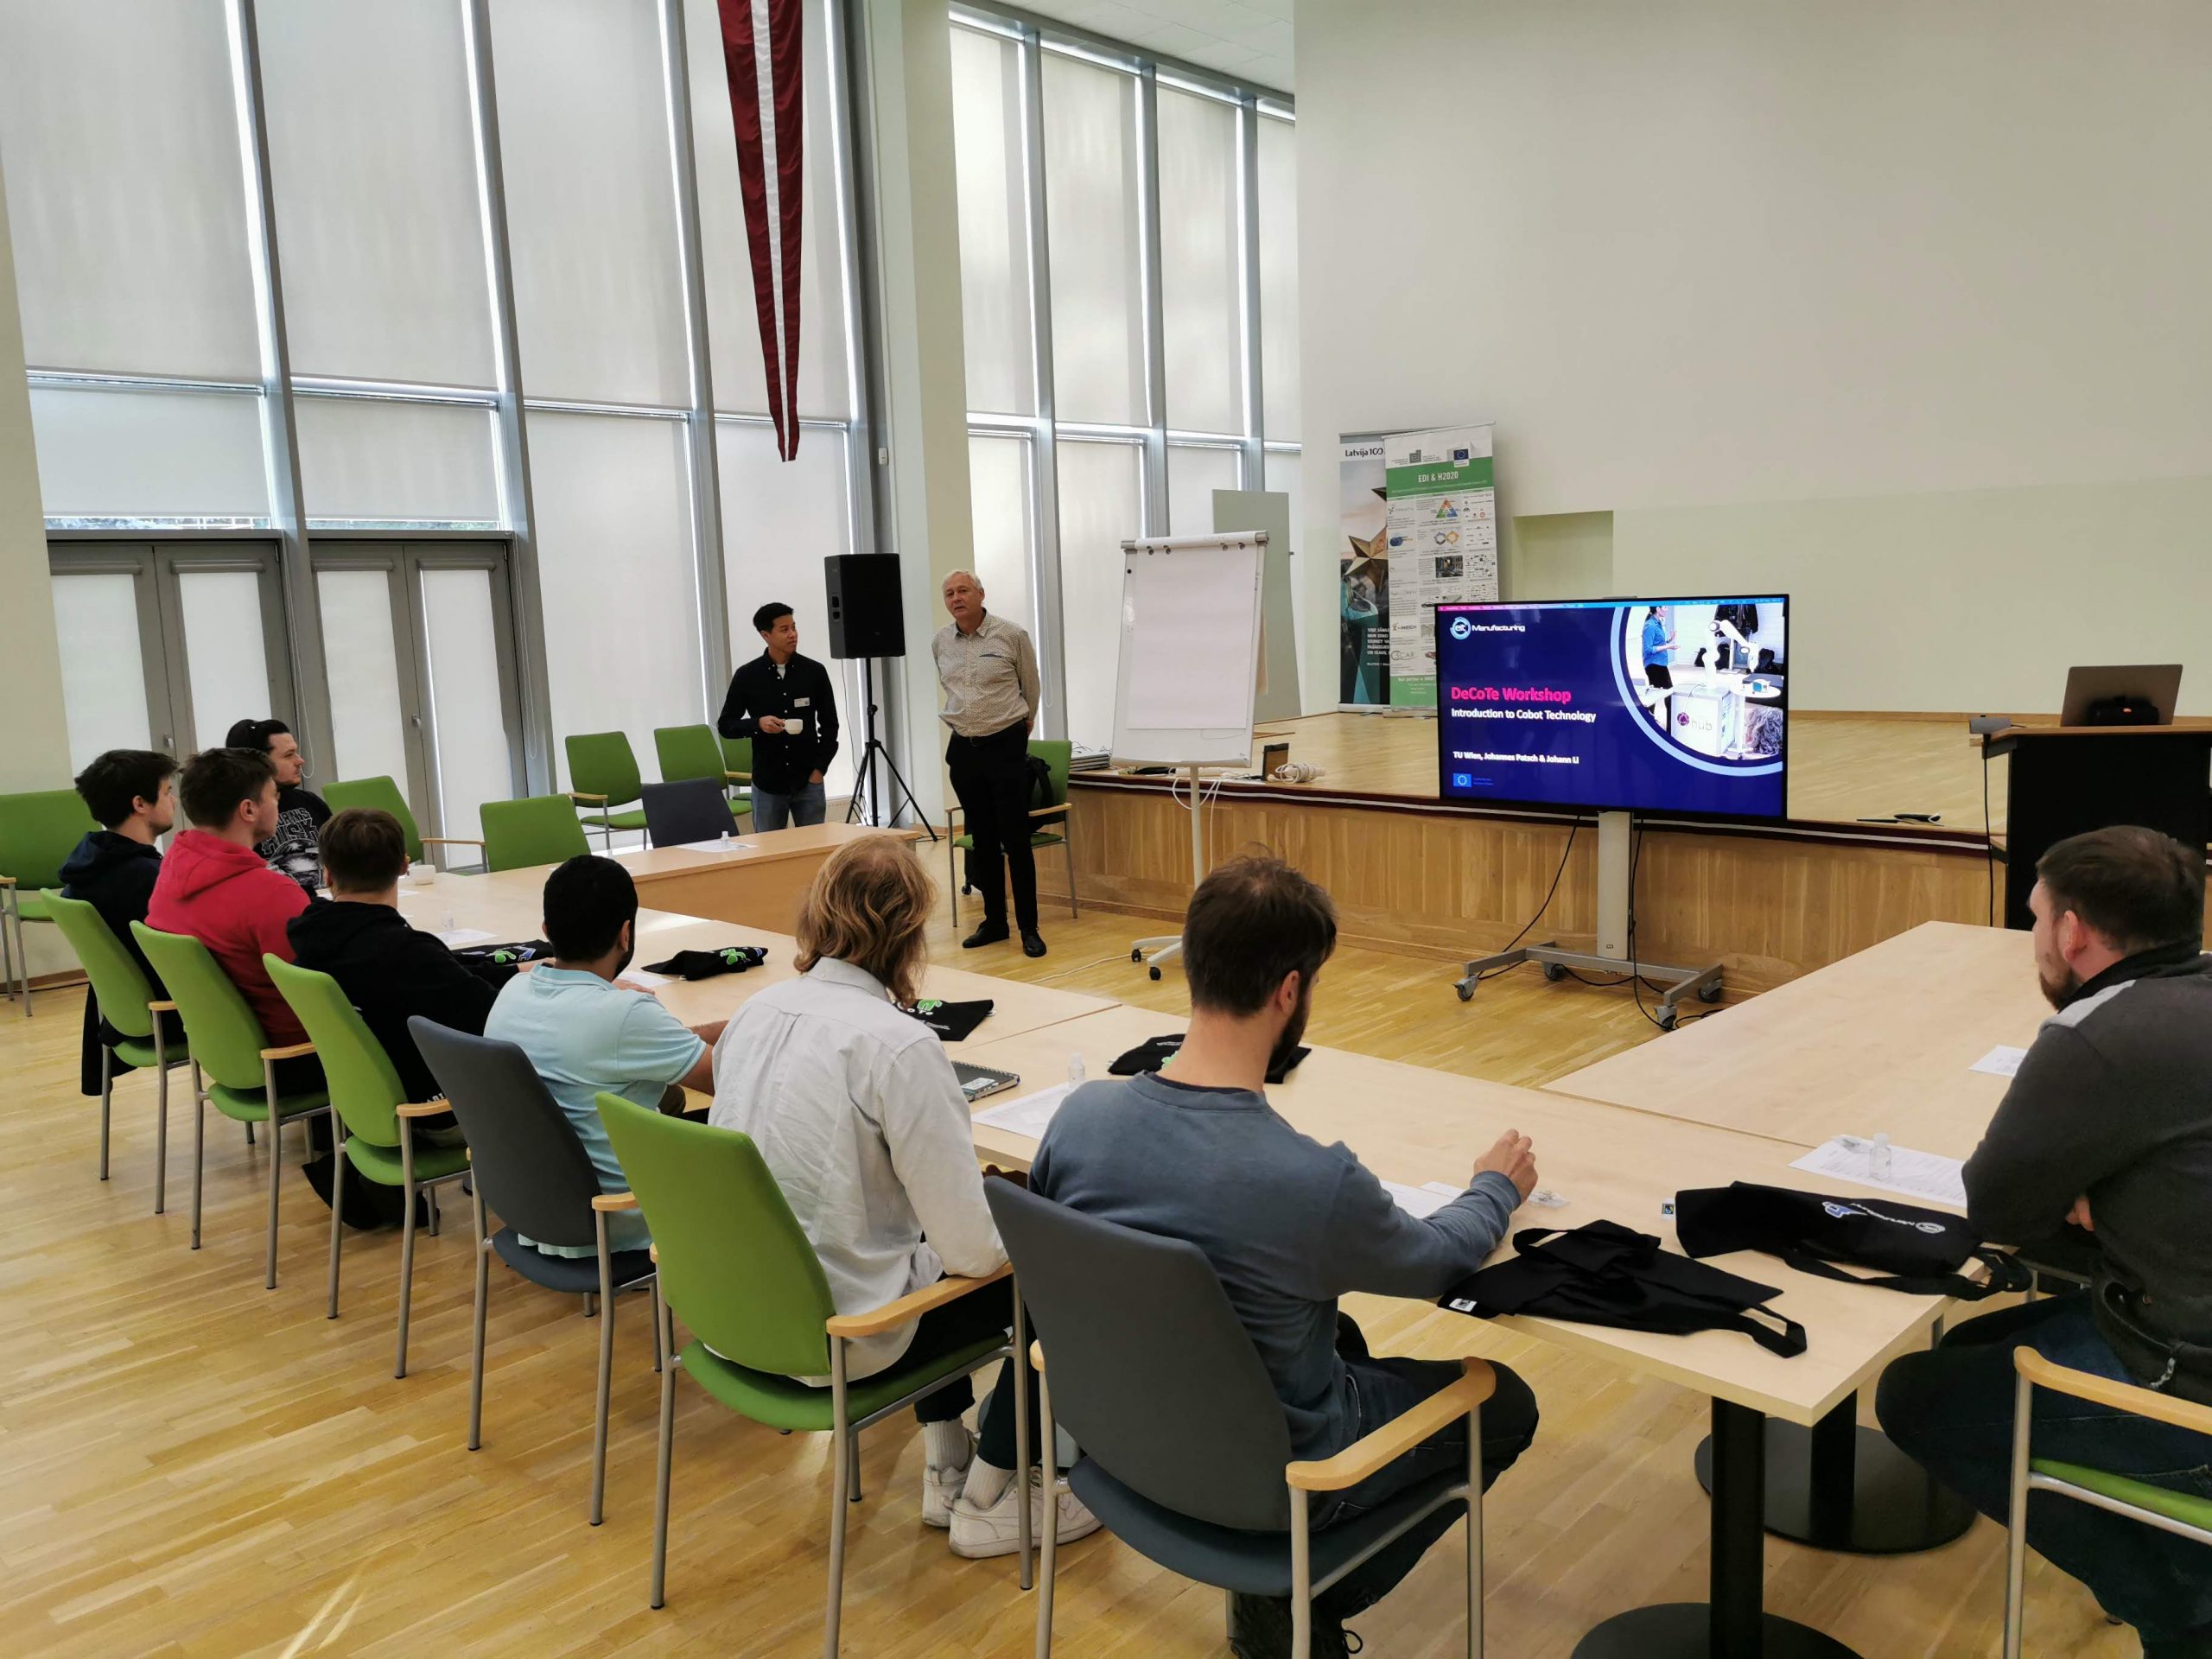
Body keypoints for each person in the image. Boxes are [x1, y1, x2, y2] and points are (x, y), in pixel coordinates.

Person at [1028, 855, 1541, 1659]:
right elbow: (1441, 1259)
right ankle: (1300, 1605)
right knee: (1503, 1401)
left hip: (1121, 1448)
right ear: (1290, 992)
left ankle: (1278, 1615)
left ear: (1194, 963)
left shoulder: (1079, 1118)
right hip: (1280, 1476)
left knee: (1340, 1339)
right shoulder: (1310, 1182)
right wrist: (1494, 1188)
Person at [706, 836, 1098, 1559]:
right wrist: (1023, 1210)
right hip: (841, 1335)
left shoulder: (754, 1014)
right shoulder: (899, 1046)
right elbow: (973, 1255)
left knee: (915, 1233)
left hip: (733, 1313)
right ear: (911, 936)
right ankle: (991, 1495)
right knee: (1064, 1268)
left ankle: (946, 1462)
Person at [1876, 825, 2212, 1659]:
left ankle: (2183, 1613)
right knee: (1978, 1344)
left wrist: (2090, 1193)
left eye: (2034, 918)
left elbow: (1998, 1212)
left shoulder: (2100, 1035)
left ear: (2071, 932)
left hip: (2189, 1383)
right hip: (2181, 1315)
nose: (2034, 938)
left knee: (1918, 1397)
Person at [485, 855, 726, 1258]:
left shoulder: (511, 993)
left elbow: (628, 1043)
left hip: (537, 1213)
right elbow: (731, 1081)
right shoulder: (625, 1015)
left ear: (547, 931)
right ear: (625, 934)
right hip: (625, 1219)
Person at [289, 808, 516, 1105]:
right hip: (434, 1102)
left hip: (367, 1097)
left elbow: (449, 978)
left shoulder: (313, 936)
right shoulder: (404, 952)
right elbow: (491, 1014)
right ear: (404, 866)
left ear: (327, 873)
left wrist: (516, 971)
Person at [146, 747, 314, 1063]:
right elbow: (317, 991)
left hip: (226, 1054)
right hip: (294, 1055)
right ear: (248, 809)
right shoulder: (272, 893)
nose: (278, 804)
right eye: (274, 796)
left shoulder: (171, 870)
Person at [931, 569, 1046, 958]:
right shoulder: (941, 641)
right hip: (964, 749)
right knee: (982, 840)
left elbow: (1031, 686)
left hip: (1005, 746)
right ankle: (995, 921)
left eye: (963, 590)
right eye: (949, 593)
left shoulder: (1011, 635)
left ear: (981, 594)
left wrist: (1023, 724)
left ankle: (1029, 927)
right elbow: (950, 688)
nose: (956, 598)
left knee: (1015, 839)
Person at [60, 748, 178, 1099]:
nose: (174, 801)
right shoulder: (147, 879)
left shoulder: (88, 868)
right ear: (140, 804)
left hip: (123, 1017)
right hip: (170, 1017)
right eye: (167, 792)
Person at [715, 601, 842, 830]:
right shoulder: (747, 676)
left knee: (813, 845)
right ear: (766, 635)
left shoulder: (814, 672)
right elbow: (726, 725)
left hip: (808, 779)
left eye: (794, 627)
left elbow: (830, 725)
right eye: (784, 629)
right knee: (768, 847)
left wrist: (819, 770)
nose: (793, 634)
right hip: (768, 782)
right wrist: (758, 724)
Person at [225, 718, 329, 896]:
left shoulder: (310, 802)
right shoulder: (235, 818)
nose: (300, 761)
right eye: (289, 755)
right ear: (259, 764)